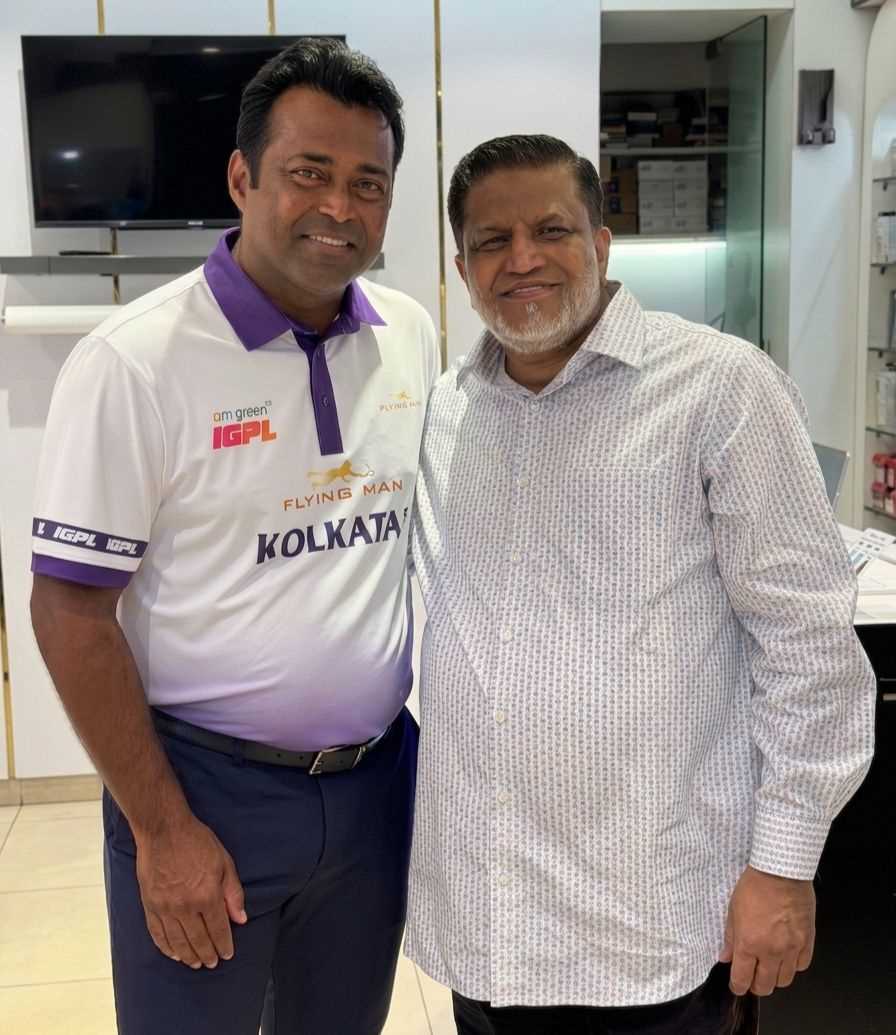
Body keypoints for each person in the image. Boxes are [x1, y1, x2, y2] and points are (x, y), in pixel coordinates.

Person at [405, 134, 876, 1035]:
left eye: (551, 230)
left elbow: (809, 646)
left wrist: (784, 865)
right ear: (462, 268)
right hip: (490, 923)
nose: (522, 259)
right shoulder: (452, 408)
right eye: (492, 241)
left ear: (601, 241)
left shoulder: (719, 388)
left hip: (653, 927)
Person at [29, 38, 438, 1035]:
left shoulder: (410, 336)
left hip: (376, 784)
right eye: (309, 172)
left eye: (368, 183)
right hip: (202, 792)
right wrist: (162, 828)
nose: (340, 207)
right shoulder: (134, 362)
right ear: (242, 178)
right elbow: (70, 611)